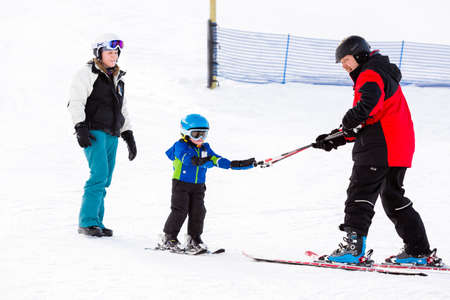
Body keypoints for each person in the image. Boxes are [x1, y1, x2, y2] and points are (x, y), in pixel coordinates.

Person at [312, 35, 439, 265]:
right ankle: (418, 251)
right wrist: (335, 138)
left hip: (379, 148)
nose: (344, 65)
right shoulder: (380, 73)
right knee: (392, 198)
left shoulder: (369, 74)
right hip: (398, 147)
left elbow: (367, 108)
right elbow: (370, 118)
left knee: (360, 193)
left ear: (359, 54)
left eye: (347, 59)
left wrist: (347, 122)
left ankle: (353, 249)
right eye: (341, 62)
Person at [68, 33, 137, 237]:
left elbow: (122, 109)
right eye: (109, 51)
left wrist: (128, 135)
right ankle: (87, 222)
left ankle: (96, 221)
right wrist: (80, 126)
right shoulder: (86, 73)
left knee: (105, 178)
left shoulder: (118, 78)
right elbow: (76, 101)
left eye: (116, 52)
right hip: (94, 131)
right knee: (98, 175)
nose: (114, 55)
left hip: (112, 134)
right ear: (99, 53)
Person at [159, 114, 255, 252]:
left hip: (198, 186)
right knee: (180, 210)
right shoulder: (180, 145)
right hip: (181, 184)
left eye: (204, 134)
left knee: (199, 211)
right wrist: (201, 161)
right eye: (196, 134)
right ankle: (169, 238)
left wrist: (238, 164)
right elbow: (186, 158)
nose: (200, 138)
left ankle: (194, 238)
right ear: (185, 133)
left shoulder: (205, 148)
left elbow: (218, 159)